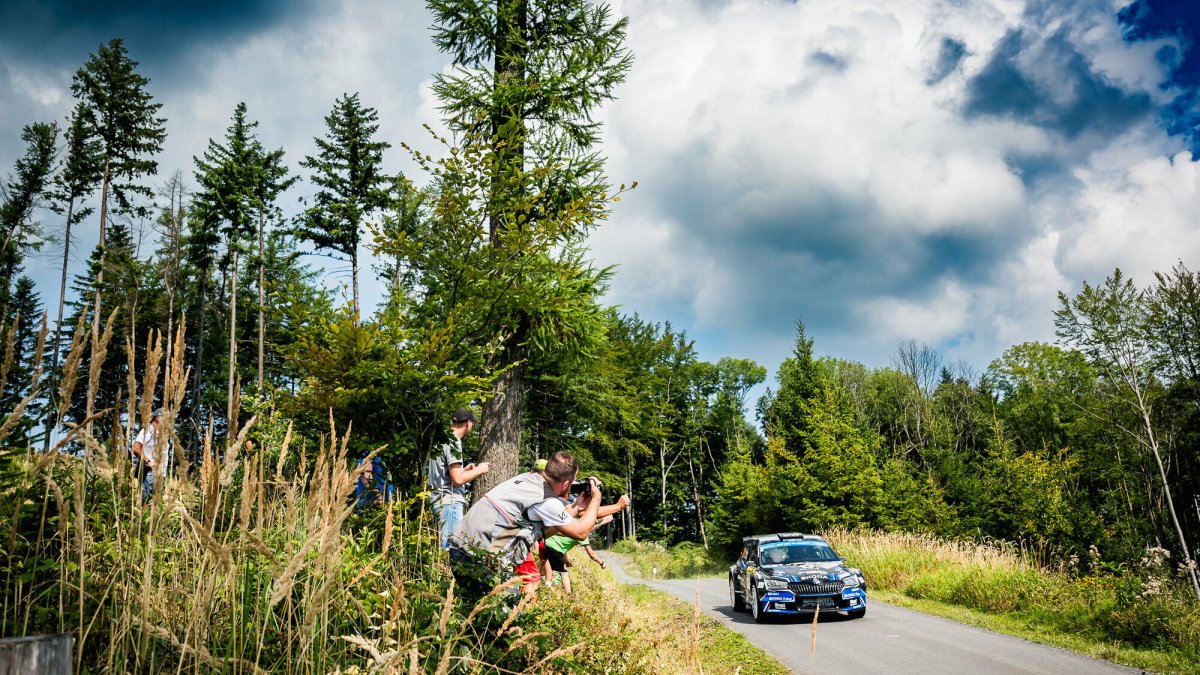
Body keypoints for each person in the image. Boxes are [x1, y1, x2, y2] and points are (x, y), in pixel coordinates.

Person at [448, 451, 601, 597]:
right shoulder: (547, 499)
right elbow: (581, 532)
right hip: (480, 560)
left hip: (460, 548)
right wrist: (596, 499)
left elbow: (542, 532)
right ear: (566, 483)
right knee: (506, 619)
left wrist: (576, 509)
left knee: (478, 616)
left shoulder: (526, 479)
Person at [541, 493, 631, 594]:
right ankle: (566, 594)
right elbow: (591, 554)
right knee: (563, 573)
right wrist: (602, 563)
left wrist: (566, 558)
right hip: (551, 545)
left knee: (546, 563)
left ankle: (543, 583)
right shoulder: (581, 533)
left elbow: (563, 542)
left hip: (548, 542)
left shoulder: (577, 524)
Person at [428, 407, 488, 548]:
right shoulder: (454, 441)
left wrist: (464, 470)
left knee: (444, 548)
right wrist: (479, 470)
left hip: (438, 500)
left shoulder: (441, 439)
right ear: (468, 423)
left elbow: (448, 474)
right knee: (450, 549)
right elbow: (458, 480)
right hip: (450, 502)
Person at [131, 409, 168, 503]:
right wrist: (148, 461)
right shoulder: (148, 431)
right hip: (150, 473)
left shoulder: (162, 434)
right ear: (158, 418)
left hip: (160, 473)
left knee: (156, 504)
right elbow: (136, 448)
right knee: (147, 502)